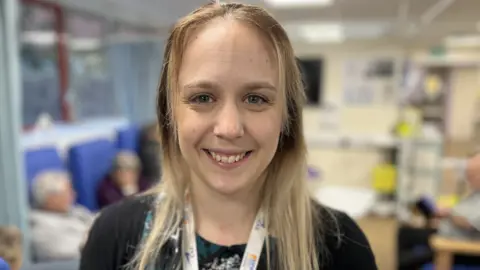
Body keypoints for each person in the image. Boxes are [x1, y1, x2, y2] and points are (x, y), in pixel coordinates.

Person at [80, 2, 377, 270]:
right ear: (170, 114)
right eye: (203, 97)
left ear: (287, 117)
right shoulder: (115, 236)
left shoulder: (340, 245)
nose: (229, 128)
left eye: (256, 99)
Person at [397, 153, 480, 269]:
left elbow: (469, 223)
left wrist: (449, 213)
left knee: (408, 260)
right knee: (405, 232)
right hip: (446, 236)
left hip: (455, 246)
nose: (468, 178)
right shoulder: (475, 193)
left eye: (472, 174)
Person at [30, 170, 96, 262]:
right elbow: (77, 252)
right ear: (51, 198)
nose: (73, 195)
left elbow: (96, 220)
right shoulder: (40, 229)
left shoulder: (74, 211)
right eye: (67, 192)